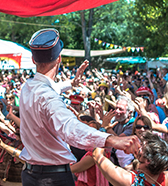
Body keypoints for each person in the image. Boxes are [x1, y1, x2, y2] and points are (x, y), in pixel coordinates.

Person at [19, 28, 140, 186]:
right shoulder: (48, 97)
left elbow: (47, 90)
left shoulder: (27, 87)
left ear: (34, 60)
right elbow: (70, 128)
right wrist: (112, 140)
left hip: (30, 175)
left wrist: (71, 83)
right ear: (59, 59)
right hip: (52, 179)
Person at [92, 131, 168, 186]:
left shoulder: (128, 179)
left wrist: (103, 131)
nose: (138, 147)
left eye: (142, 147)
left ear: (148, 160)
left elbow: (97, 155)